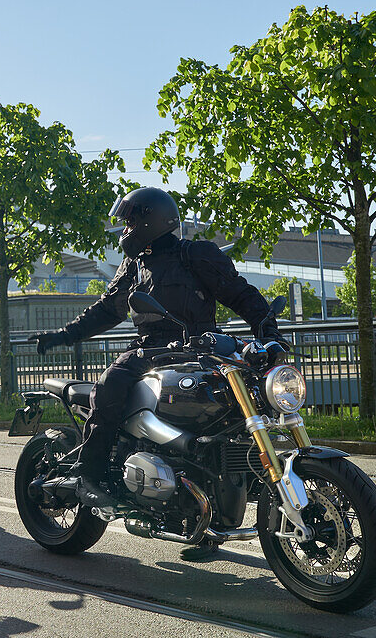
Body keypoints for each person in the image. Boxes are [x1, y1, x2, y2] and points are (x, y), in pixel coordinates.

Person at [28, 187, 283, 562]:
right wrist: (61, 335)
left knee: (226, 414)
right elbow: (105, 311)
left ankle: (209, 517)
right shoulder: (133, 266)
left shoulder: (195, 254)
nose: (126, 229)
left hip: (202, 349)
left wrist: (270, 335)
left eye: (130, 220)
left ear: (150, 220)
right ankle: (90, 473)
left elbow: (242, 295)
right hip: (149, 351)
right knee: (110, 384)